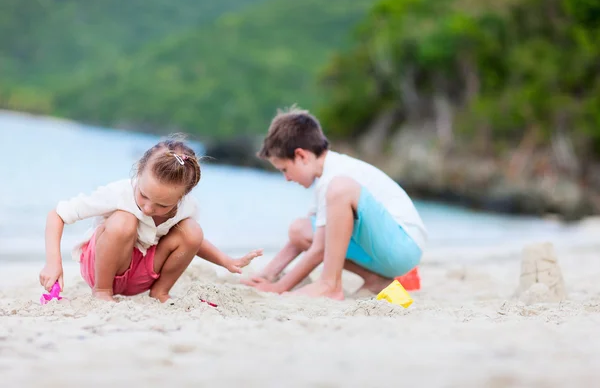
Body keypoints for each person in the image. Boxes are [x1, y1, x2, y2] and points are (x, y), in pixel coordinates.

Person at [39, 136, 262, 302]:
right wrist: (53, 264)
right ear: (138, 172)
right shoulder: (118, 193)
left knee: (192, 230)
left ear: (183, 196)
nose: (147, 208)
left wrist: (226, 261)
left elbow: (193, 243)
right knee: (124, 221)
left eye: (162, 205)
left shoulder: (188, 207)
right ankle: (102, 292)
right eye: (144, 196)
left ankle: (160, 292)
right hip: (104, 268)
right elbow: (57, 215)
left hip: (144, 273)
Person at [242, 106, 427, 300]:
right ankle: (374, 279)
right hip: (386, 249)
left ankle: (330, 285)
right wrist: (267, 275)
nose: (286, 178)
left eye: (285, 170)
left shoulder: (335, 177)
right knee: (300, 229)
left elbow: (320, 248)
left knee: (340, 189)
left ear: (301, 156)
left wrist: (280, 288)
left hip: (403, 245)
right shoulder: (325, 177)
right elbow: (308, 237)